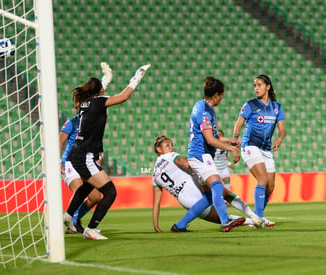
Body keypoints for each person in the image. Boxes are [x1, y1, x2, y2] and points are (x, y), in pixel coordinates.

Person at [64, 64, 151, 240]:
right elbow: (124, 96)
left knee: (88, 186)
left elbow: (98, 91)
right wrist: (137, 76)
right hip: (84, 155)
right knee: (110, 192)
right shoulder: (97, 102)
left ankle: (68, 216)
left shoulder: (84, 103)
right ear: (100, 91)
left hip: (79, 153)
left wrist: (106, 78)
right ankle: (91, 229)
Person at [187, 76, 262, 232]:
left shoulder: (201, 106)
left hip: (200, 155)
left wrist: (229, 141)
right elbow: (209, 139)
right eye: (221, 95)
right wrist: (232, 149)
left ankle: (180, 225)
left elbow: (212, 136)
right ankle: (225, 221)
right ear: (216, 95)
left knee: (211, 195)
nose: (222, 99)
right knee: (217, 186)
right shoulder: (205, 111)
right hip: (201, 155)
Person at [152, 135, 263, 232]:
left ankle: (256, 221)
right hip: (194, 190)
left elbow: (156, 203)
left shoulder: (155, 174)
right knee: (219, 193)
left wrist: (156, 225)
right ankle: (180, 224)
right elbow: (188, 164)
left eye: (171, 144)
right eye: (167, 145)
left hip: (185, 200)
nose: (171, 147)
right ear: (159, 149)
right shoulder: (171, 156)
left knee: (222, 217)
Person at [60, 62, 112, 234]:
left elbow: (99, 94)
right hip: (71, 162)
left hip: (83, 158)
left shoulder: (90, 115)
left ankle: (71, 218)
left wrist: (107, 77)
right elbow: (61, 141)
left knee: (95, 195)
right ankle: (73, 221)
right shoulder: (72, 122)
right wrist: (59, 161)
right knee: (83, 192)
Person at [233, 74, 286, 227]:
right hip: (250, 145)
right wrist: (235, 144)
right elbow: (238, 125)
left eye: (259, 85)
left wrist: (279, 139)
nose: (256, 88)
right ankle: (260, 218)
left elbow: (282, 129)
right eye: (254, 85)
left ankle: (256, 216)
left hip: (266, 149)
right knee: (262, 179)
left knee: (270, 186)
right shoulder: (250, 105)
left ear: (268, 87)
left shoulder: (277, 107)